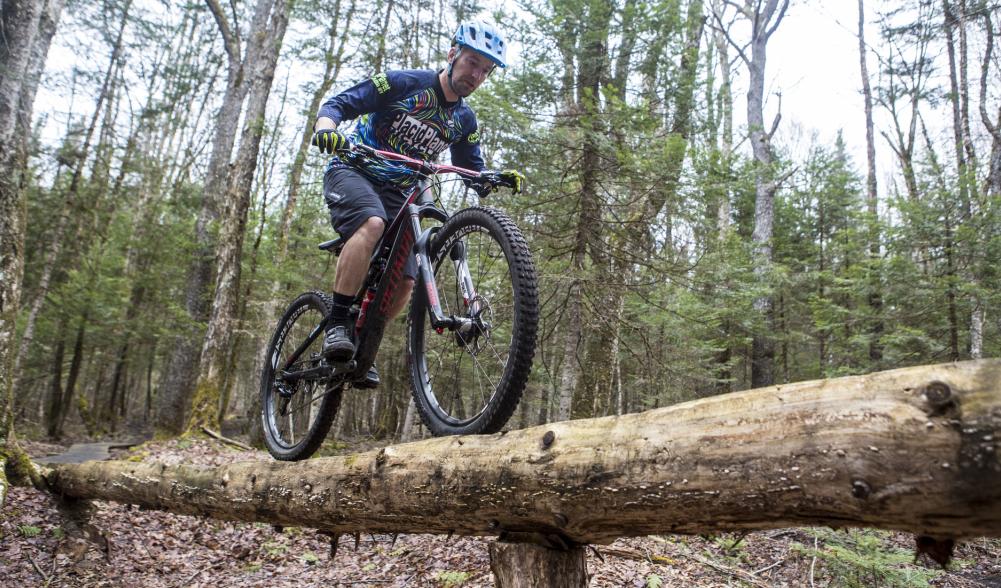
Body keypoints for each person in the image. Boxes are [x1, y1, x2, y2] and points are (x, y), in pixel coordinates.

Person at [310, 20, 525, 388]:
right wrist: (325, 128)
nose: (476, 75)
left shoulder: (464, 120)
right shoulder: (403, 83)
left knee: (407, 280)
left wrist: (491, 179)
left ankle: (364, 343)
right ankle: (337, 323)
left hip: (401, 193)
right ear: (452, 54)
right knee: (372, 224)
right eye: (472, 62)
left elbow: (471, 169)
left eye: (485, 71)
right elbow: (339, 104)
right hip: (354, 170)